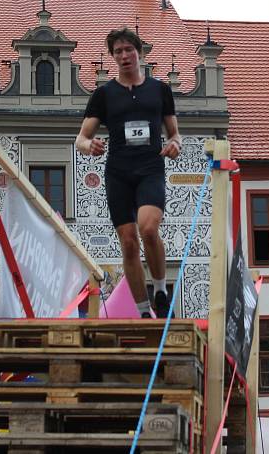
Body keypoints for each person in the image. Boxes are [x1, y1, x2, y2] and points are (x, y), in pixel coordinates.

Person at [76, 27, 182, 318]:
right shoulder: (104, 94)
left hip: (150, 168)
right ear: (113, 57)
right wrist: (90, 145)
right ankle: (143, 310)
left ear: (140, 52)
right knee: (128, 241)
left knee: (148, 228)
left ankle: (160, 289)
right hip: (118, 172)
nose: (124, 56)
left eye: (128, 50)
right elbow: (81, 139)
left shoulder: (159, 90)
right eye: (118, 52)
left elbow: (175, 134)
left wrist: (174, 144)